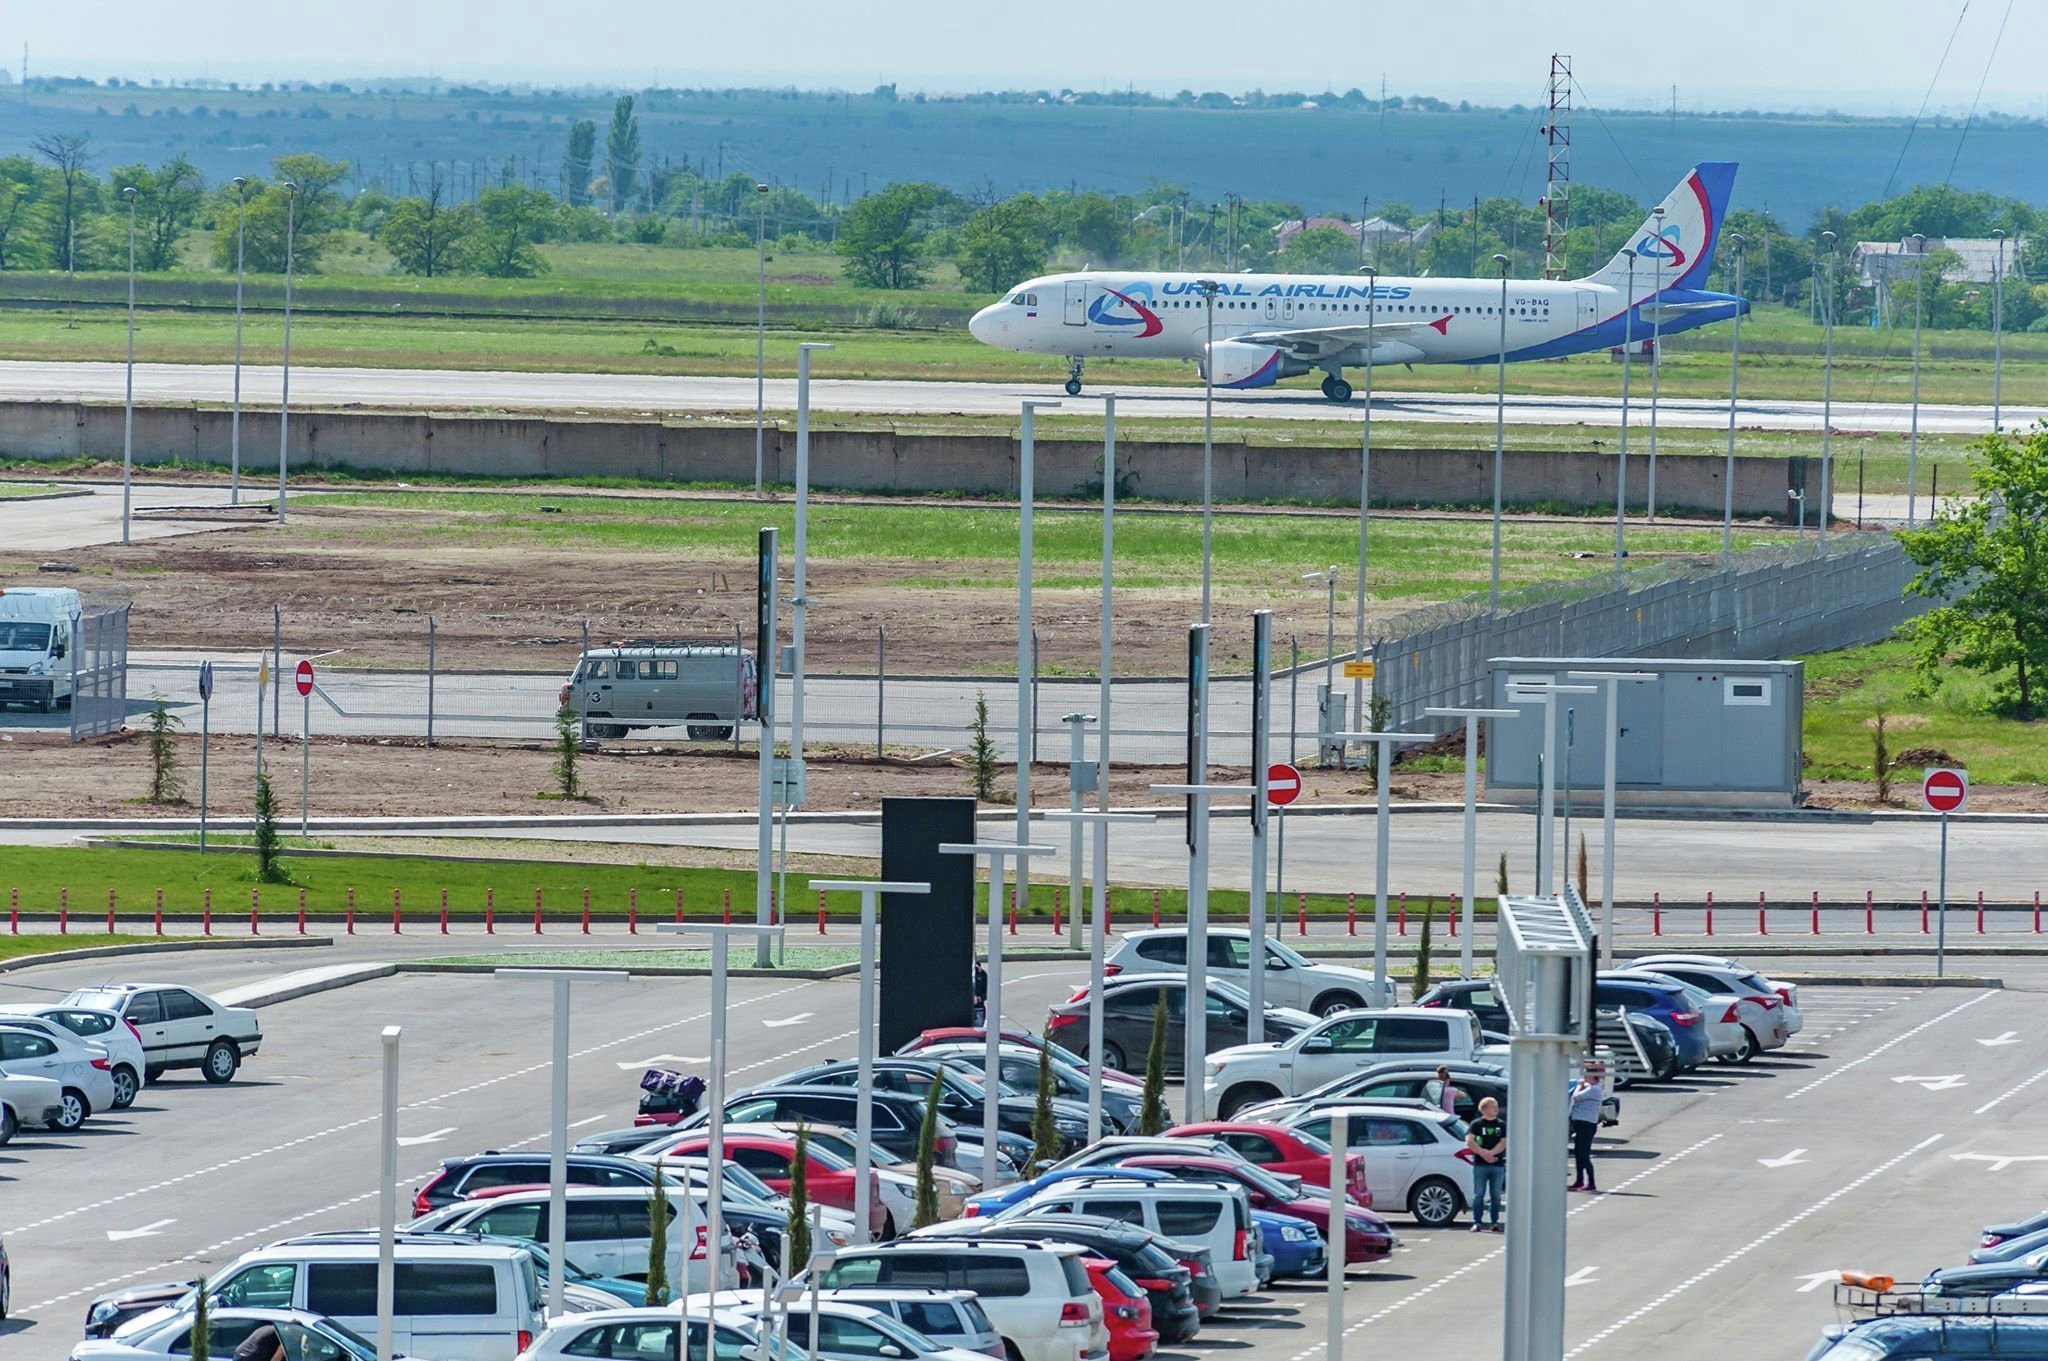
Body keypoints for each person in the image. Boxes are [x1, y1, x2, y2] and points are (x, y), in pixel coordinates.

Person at [1466, 1095, 1507, 1232]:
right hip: (1480, 1165)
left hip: (1497, 1165)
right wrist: (1483, 1153)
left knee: (1496, 1195)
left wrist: (1492, 1153)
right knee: (1479, 1194)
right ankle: (1477, 1221)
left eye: (1496, 1106)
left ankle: (1494, 1221)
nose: (1495, 1109)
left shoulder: (1501, 1124)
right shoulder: (1476, 1124)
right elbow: (1470, 1141)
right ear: (1484, 1109)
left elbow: (1504, 1142)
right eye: (1492, 1106)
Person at [1568, 1065, 1605, 1193]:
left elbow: (1575, 1096)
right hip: (1580, 1122)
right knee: (1578, 1153)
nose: (1584, 1076)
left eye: (1586, 1074)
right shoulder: (1590, 1088)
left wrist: (1579, 1086)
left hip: (1587, 1124)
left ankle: (1591, 1182)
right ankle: (1579, 1180)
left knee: (1584, 1154)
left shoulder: (1594, 1089)